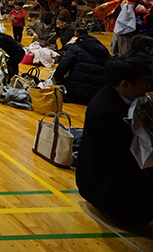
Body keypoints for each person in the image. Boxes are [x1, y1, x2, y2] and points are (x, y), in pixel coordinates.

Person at [76, 56, 153, 229]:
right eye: (143, 83)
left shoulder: (118, 95)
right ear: (125, 84)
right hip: (103, 184)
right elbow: (122, 161)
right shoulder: (105, 112)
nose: (147, 86)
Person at [51, 28, 110, 105]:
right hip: (96, 94)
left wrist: (56, 78)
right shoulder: (104, 51)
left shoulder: (75, 48)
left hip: (75, 92)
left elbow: (62, 67)